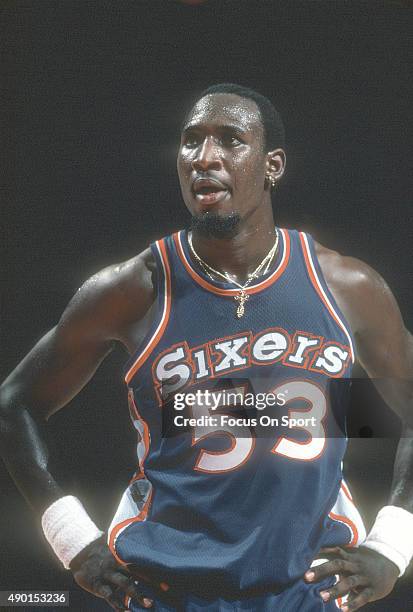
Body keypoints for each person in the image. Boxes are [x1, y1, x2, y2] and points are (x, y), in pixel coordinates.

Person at [1, 82, 413, 612]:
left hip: (309, 586)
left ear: (274, 166)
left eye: (231, 140)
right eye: (191, 140)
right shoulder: (134, 289)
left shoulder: (345, 285)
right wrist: (74, 542)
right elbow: (14, 405)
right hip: (168, 589)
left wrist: (393, 545)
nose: (205, 157)